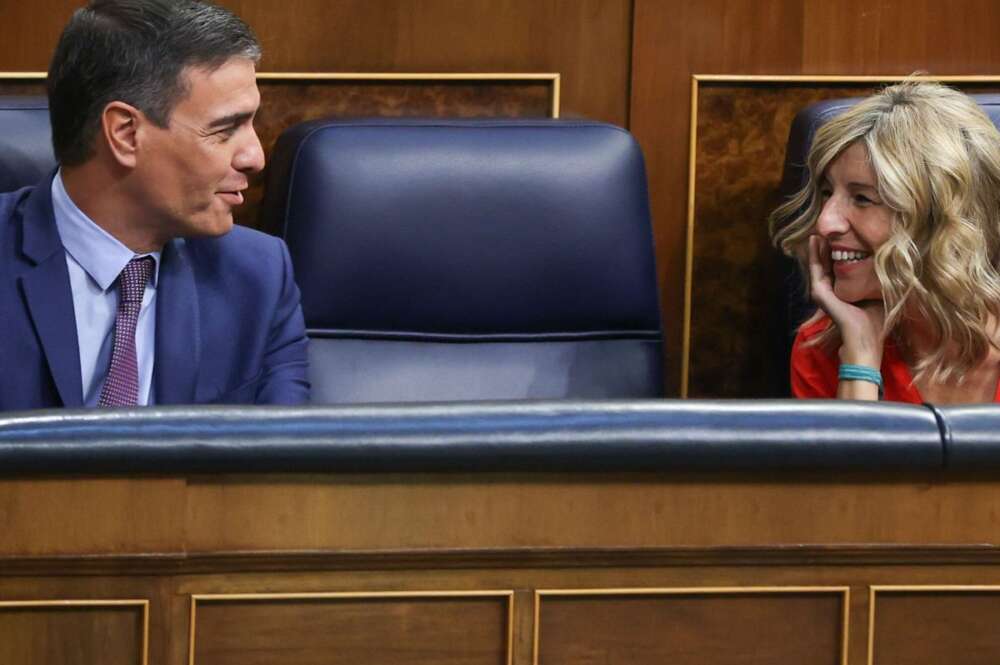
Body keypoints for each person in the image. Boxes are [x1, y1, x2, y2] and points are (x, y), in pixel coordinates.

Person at [0, 0, 310, 409]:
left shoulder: (258, 277)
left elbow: (284, 461)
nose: (255, 156)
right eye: (226, 128)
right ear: (126, 134)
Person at [770, 82, 1000, 403]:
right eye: (826, 193)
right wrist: (860, 362)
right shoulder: (825, 347)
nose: (825, 222)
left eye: (862, 198)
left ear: (942, 219)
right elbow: (849, 454)